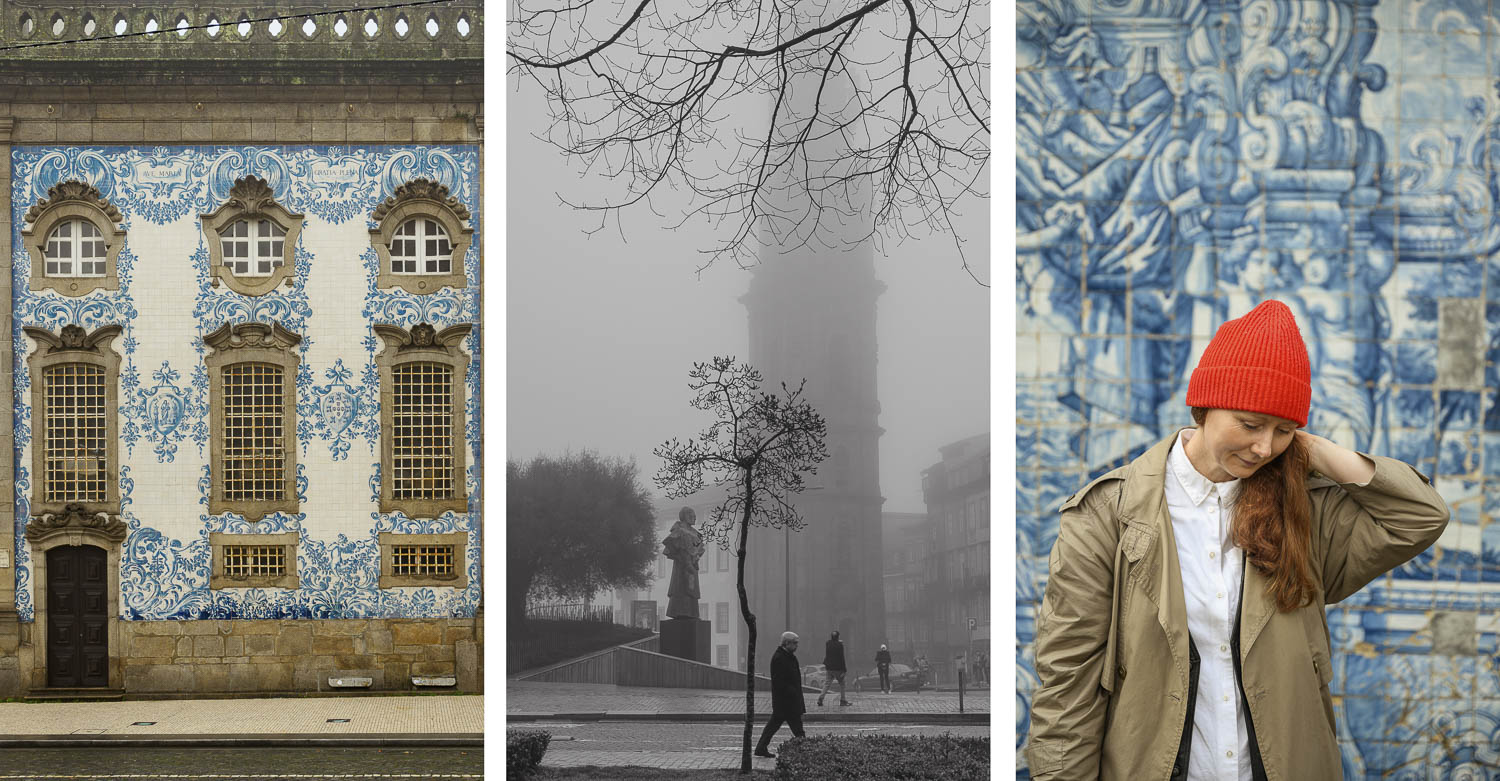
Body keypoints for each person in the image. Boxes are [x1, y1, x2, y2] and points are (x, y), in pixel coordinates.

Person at [1024, 300, 1450, 781]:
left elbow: (1421, 516)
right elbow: (1067, 687)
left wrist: (1316, 450)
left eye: (1284, 430)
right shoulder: (1107, 514)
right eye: (1249, 424)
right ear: (1204, 406)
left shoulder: (1303, 513)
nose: (1265, 448)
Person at [754, 631, 806, 758]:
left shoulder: (787, 656)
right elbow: (780, 682)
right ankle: (805, 750)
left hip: (788, 701)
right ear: (786, 643)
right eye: (794, 643)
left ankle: (761, 748)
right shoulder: (780, 658)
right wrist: (793, 693)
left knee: (775, 726)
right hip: (786, 702)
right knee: (797, 729)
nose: (796, 646)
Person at [662, 507, 705, 619]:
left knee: (692, 589)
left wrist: (694, 558)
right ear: (684, 516)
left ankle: (692, 613)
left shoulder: (696, 534)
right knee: (681, 587)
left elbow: (700, 550)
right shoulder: (679, 531)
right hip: (681, 566)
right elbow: (671, 548)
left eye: (695, 514)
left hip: (693, 565)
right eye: (691, 514)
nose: (694, 517)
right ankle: (680, 612)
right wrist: (685, 559)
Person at [817, 630, 849, 706]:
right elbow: (841, 657)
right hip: (838, 668)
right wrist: (844, 669)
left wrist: (838, 642)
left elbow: (831, 643)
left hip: (829, 667)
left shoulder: (828, 644)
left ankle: (821, 698)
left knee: (827, 684)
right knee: (842, 684)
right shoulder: (840, 645)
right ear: (838, 637)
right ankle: (843, 700)